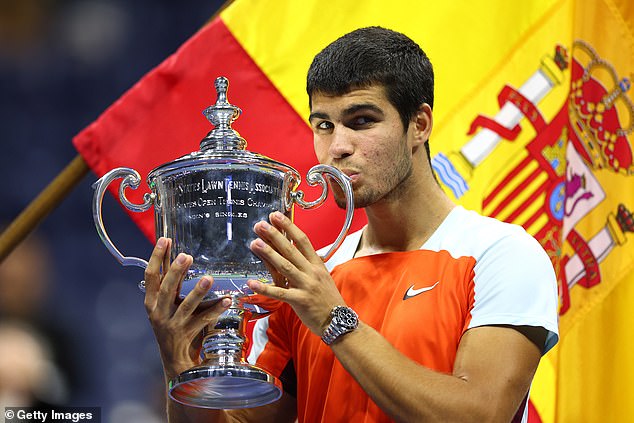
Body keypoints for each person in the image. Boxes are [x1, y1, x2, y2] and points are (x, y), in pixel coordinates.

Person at [143, 27, 559, 422]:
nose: (337, 148)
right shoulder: (307, 278)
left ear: (420, 124)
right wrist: (179, 360)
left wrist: (334, 319)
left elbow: (479, 414)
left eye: (361, 121)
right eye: (324, 125)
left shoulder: (502, 254)